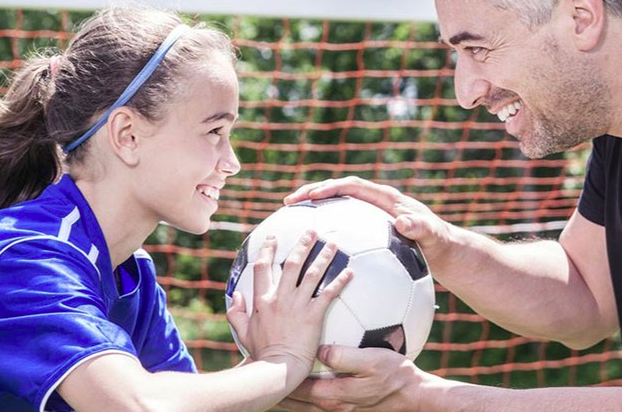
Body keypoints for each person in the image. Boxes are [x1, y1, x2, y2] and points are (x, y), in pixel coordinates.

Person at [0, 6, 353, 412]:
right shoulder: (27, 253)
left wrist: (272, 374)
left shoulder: (133, 274)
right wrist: (282, 362)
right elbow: (137, 405)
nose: (232, 161)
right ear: (128, 135)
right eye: (214, 131)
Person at [278, 0, 622, 411]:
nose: (466, 93)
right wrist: (437, 243)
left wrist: (425, 399)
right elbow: (590, 294)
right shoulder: (613, 138)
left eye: (477, 49)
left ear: (581, 19)